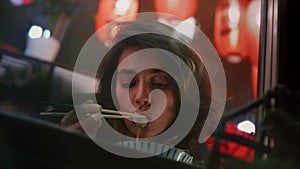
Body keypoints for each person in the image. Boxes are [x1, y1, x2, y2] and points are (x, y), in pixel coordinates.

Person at [60, 20, 212, 165]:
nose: (141, 97)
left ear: (185, 94)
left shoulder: (205, 160)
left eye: (159, 83)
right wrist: (63, 150)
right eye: (128, 82)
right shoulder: (93, 149)